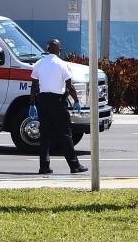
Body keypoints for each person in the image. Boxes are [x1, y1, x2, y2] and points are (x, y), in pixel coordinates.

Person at [30, 39, 88, 175]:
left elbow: (34, 86)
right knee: (65, 134)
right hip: (57, 102)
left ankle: (44, 167)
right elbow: (70, 86)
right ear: (58, 50)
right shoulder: (62, 64)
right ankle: (74, 165)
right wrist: (76, 101)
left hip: (42, 101)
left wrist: (32, 104)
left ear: (48, 49)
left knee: (45, 136)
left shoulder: (39, 64)